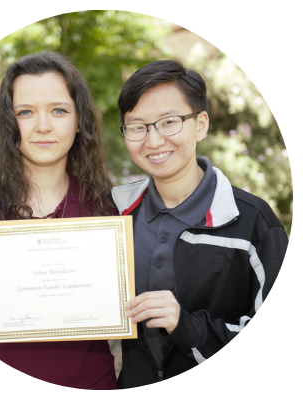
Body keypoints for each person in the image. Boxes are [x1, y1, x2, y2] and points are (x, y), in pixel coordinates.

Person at [0, 52, 118, 390]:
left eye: (59, 110)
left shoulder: (106, 206)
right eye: (26, 112)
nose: (43, 126)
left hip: (94, 383)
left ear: (80, 121)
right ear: (9, 122)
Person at [111, 60, 288, 388]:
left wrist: (186, 325)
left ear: (201, 124)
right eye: (137, 126)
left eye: (169, 122)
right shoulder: (114, 215)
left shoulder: (252, 223)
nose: (153, 141)